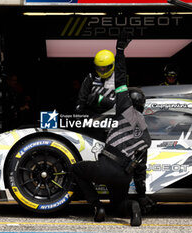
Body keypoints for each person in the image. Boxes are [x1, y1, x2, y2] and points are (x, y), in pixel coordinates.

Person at [72, 32, 152, 227]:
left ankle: (97, 206)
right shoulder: (146, 135)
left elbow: (121, 78)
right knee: (119, 206)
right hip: (124, 176)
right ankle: (133, 207)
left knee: (75, 169)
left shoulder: (124, 107)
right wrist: (141, 196)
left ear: (130, 100)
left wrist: (120, 51)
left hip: (106, 165)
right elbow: (141, 170)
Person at [75, 49, 116, 116]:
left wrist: (99, 99)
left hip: (113, 114)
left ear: (112, 65)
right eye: (99, 67)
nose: (102, 70)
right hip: (93, 115)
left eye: (105, 67)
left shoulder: (119, 78)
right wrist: (79, 111)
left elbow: (122, 103)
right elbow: (82, 98)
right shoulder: (91, 77)